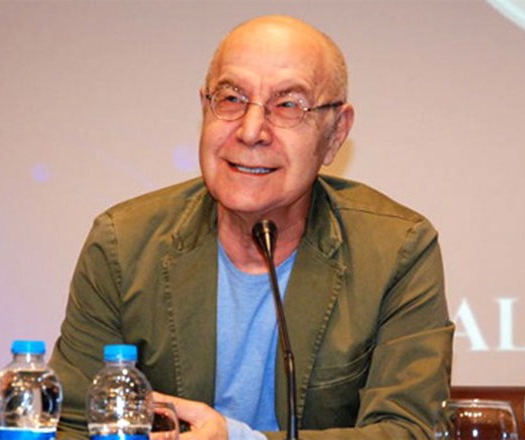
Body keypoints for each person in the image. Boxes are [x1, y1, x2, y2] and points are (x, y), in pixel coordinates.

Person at [50, 14, 454, 440]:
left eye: (288, 105)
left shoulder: (397, 250)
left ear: (335, 133)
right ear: (204, 109)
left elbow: (408, 431)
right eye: (231, 98)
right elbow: (72, 425)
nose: (250, 131)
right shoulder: (123, 244)